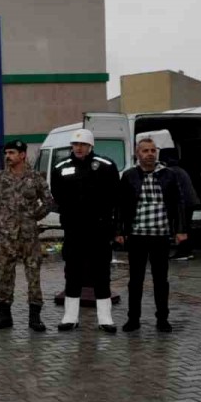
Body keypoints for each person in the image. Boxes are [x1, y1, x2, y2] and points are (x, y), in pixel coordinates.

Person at [50, 130, 120, 333]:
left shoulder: (106, 166)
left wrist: (111, 225)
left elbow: (114, 196)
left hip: (99, 229)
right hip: (74, 229)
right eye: (75, 144)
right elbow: (58, 194)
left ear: (91, 146)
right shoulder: (61, 167)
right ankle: (70, 317)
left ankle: (105, 318)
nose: (78, 148)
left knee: (101, 272)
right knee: (72, 272)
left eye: (82, 145)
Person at [117, 138, 188, 333]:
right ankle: (133, 319)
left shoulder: (169, 175)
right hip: (137, 235)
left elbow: (179, 203)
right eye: (145, 151)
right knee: (135, 280)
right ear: (137, 154)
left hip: (161, 235)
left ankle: (162, 319)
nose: (149, 154)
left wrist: (180, 229)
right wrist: (119, 231)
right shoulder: (129, 176)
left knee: (161, 280)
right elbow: (121, 206)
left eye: (152, 150)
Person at [0, 140, 54, 332]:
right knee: (5, 275)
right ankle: (4, 315)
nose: (8, 156)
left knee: (33, 275)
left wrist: (34, 216)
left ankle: (35, 318)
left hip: (29, 236)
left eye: (12, 152)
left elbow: (48, 201)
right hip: (7, 237)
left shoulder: (35, 178)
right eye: (6, 153)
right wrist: (2, 219)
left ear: (23, 155)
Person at [159, 149, 199, 261]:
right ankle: (187, 251)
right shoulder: (179, 170)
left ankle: (184, 252)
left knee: (182, 226)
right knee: (185, 226)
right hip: (189, 201)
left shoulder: (170, 172)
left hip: (184, 203)